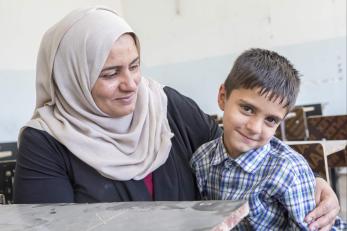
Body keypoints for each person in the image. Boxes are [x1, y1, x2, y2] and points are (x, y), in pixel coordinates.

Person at [13, 6, 339, 230]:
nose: (131, 85)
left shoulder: (167, 106)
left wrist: (312, 185)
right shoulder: (46, 142)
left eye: (135, 65)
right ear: (72, 78)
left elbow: (239, 154)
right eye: (111, 73)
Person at [190, 48, 347, 230]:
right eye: (247, 109)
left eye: (271, 120)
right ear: (222, 97)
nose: (255, 128)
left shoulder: (288, 172)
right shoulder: (201, 159)